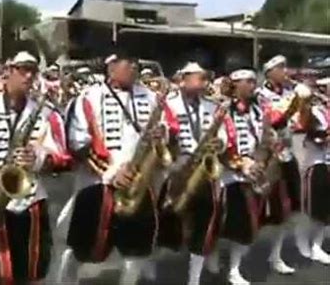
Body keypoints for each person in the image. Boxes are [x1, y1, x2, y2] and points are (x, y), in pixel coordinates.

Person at [0, 51, 70, 285]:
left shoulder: (46, 112)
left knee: (29, 274)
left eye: (32, 71)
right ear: (8, 71)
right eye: (22, 70)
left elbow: (62, 155)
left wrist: (38, 159)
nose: (28, 76)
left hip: (31, 203)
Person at [57, 51, 165, 285]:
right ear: (111, 66)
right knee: (84, 246)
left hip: (138, 182)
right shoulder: (88, 97)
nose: (134, 67)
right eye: (129, 62)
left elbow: (166, 131)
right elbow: (78, 143)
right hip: (98, 184)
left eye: (136, 62)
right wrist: (111, 173)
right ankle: (66, 280)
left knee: (137, 248)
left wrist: (161, 136)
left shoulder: (151, 97)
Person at [159, 62, 228, 285]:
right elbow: (163, 138)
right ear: (184, 80)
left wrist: (221, 144)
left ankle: (194, 278)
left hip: (204, 172)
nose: (204, 82)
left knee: (203, 223)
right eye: (199, 78)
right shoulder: (168, 105)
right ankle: (151, 265)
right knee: (164, 223)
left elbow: (224, 133)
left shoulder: (212, 106)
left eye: (205, 78)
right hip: (177, 170)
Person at [256, 54, 311, 274]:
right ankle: (232, 257)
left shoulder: (289, 92)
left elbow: (300, 125)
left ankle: (275, 255)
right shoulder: (260, 95)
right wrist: (297, 103)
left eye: (285, 67)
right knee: (254, 208)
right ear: (269, 72)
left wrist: (305, 106)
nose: (285, 72)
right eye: (280, 68)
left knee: (286, 208)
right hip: (266, 156)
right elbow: (276, 121)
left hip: (287, 153)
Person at [215, 68, 266, 285]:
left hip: (249, 174)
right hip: (224, 175)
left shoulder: (256, 109)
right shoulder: (222, 109)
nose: (253, 86)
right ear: (235, 84)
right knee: (218, 221)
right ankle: (211, 254)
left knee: (244, 225)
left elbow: (264, 139)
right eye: (248, 82)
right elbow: (218, 145)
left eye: (254, 82)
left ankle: (234, 269)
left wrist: (259, 161)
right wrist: (238, 164)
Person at [295, 89, 329, 265]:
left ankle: (317, 245)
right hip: (316, 163)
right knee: (311, 206)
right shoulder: (313, 110)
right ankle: (301, 237)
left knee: (326, 210)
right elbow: (309, 130)